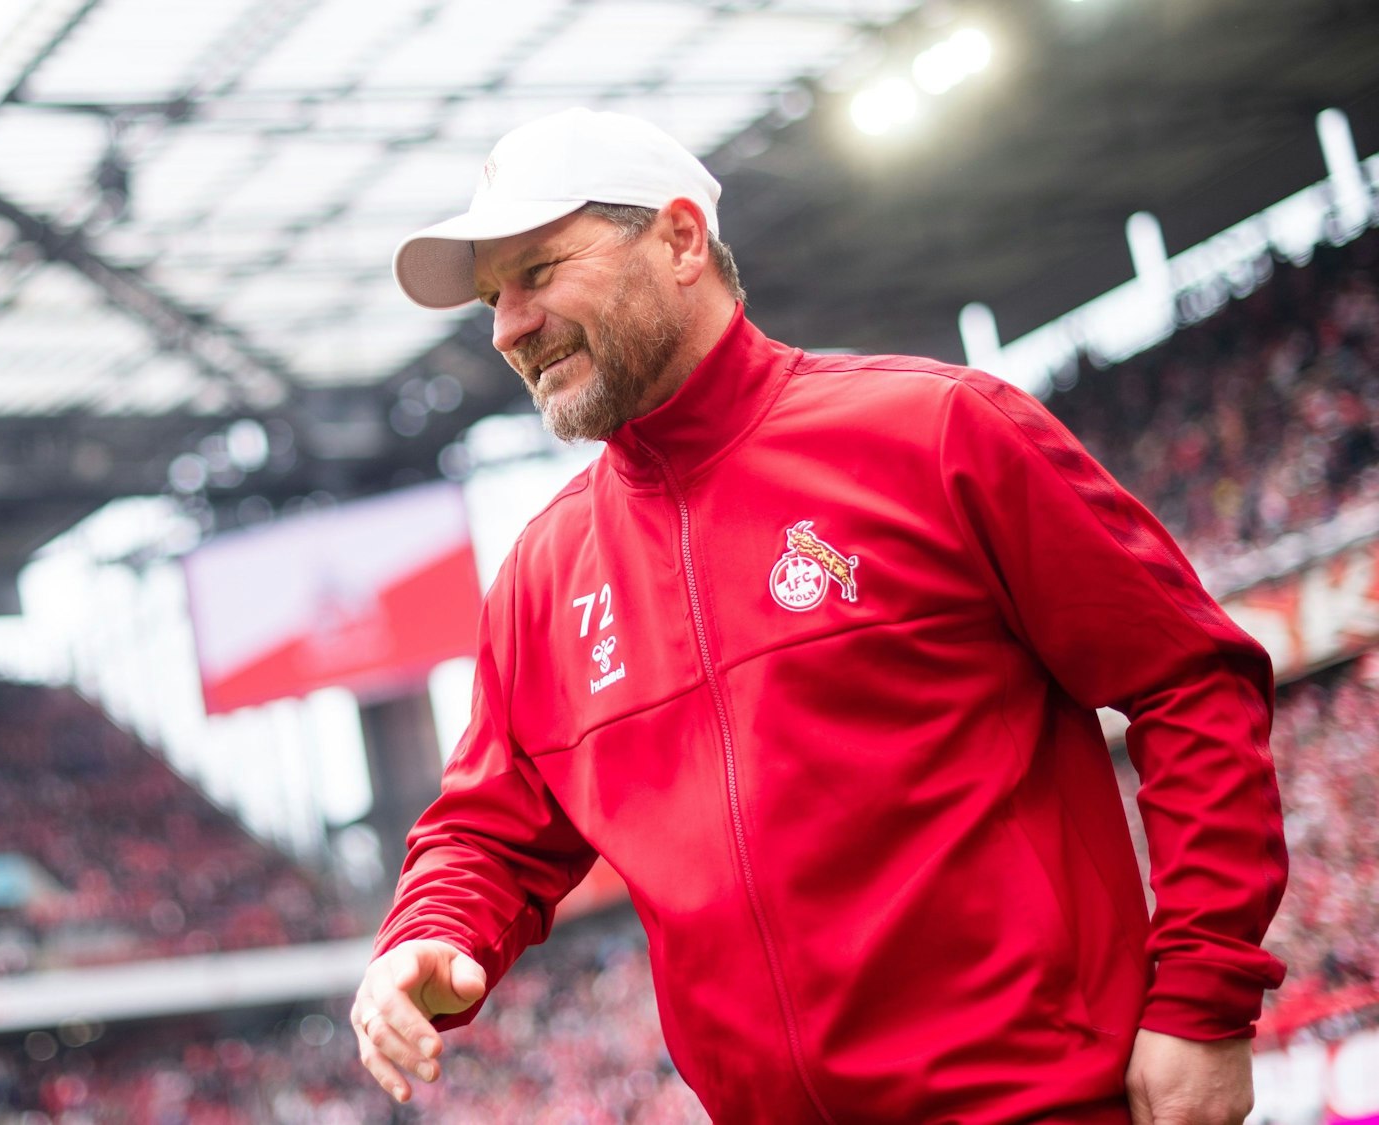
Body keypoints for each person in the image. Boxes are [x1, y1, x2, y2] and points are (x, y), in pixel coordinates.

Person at [350, 108, 1287, 1125]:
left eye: (536, 271)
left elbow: (1189, 681)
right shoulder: (541, 573)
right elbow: (488, 827)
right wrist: (425, 936)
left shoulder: (937, 432)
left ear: (677, 239)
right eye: (492, 297)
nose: (506, 327)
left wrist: (1201, 998)